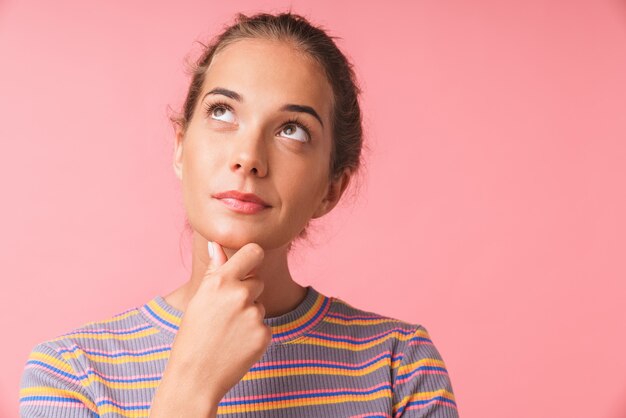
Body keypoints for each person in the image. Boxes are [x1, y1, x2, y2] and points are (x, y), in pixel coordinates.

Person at [19, 11, 459, 418]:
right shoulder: (70, 374)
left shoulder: (398, 366)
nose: (248, 158)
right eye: (223, 112)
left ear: (331, 188)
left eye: (292, 130)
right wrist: (192, 384)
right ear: (179, 147)